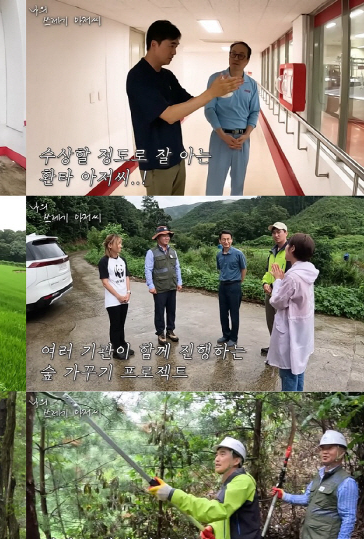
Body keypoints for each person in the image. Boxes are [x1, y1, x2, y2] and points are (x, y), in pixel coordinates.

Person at [126, 20, 243, 195]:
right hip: (156, 162)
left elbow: (190, 101)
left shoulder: (167, 75)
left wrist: (220, 93)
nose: (174, 52)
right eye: (171, 45)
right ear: (154, 44)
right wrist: (211, 93)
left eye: (177, 46)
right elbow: (169, 115)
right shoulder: (138, 77)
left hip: (177, 156)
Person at [148, 438, 261, 539]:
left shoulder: (242, 482)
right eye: (216, 455)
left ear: (236, 460)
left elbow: (217, 510)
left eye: (222, 454)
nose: (217, 459)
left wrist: (172, 494)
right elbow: (227, 514)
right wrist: (213, 527)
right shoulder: (231, 482)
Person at [271, 431, 358, 539]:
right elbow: (307, 499)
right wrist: (284, 496)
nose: (325, 451)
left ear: (342, 452)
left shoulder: (347, 483)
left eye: (330, 448)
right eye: (322, 448)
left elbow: (349, 517)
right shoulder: (318, 476)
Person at [205, 42, 260, 195]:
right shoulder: (216, 79)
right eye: (232, 53)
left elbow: (254, 112)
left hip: (242, 141)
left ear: (247, 60)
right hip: (220, 138)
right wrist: (222, 135)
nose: (235, 58)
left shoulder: (252, 84)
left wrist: (246, 135)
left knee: (238, 185)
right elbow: (209, 109)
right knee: (214, 184)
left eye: (241, 55)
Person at [266, 233, 319, 392]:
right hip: (302, 330)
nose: (286, 247)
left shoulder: (292, 277)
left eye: (288, 245)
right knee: (299, 368)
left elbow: (277, 302)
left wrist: (277, 280)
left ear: (293, 248)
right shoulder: (308, 272)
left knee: (288, 372)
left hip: (291, 332)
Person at [144, 225, 182, 345]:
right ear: (158, 238)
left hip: (171, 286)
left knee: (172, 310)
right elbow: (148, 269)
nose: (167, 238)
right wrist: (151, 285)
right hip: (159, 287)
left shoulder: (173, 252)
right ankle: (160, 332)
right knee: (160, 311)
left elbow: (177, 268)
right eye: (164, 236)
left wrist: (179, 282)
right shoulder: (151, 253)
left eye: (168, 236)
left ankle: (170, 331)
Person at [98, 233, 133, 360]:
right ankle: (116, 350)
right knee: (115, 325)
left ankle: (123, 345)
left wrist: (128, 293)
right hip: (113, 300)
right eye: (118, 243)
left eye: (120, 243)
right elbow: (105, 282)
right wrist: (118, 296)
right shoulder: (104, 261)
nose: (120, 246)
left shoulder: (122, 260)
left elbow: (126, 277)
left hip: (124, 297)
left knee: (121, 324)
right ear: (110, 245)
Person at [260, 222, 291, 356]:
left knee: (283, 323)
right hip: (270, 293)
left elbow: (289, 274)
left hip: (283, 295)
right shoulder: (272, 252)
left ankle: (284, 350)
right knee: (271, 321)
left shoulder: (290, 251)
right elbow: (268, 272)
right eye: (274, 232)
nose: (276, 235)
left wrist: (274, 286)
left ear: (286, 233)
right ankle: (274, 347)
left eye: (279, 232)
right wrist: (265, 284)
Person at [216, 231, 246, 348]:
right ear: (220, 241)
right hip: (222, 286)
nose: (226, 241)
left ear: (232, 240)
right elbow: (220, 269)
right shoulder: (219, 255)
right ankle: (226, 335)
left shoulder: (238, 254)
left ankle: (233, 338)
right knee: (223, 313)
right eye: (223, 239)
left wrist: (239, 282)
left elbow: (243, 269)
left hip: (234, 286)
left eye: (228, 239)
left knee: (234, 313)